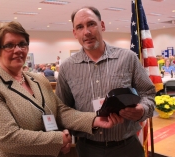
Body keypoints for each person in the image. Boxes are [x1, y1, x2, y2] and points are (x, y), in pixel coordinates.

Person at [0, 21, 119, 157]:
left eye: (22, 44)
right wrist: (58, 139)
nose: (18, 50)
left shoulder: (38, 79)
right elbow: (7, 137)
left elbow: (60, 111)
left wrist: (94, 119)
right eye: (9, 45)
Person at [55, 6, 156, 157]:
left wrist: (142, 110)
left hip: (127, 147)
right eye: (80, 27)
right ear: (75, 33)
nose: (87, 32)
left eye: (91, 24)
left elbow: (148, 93)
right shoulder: (67, 68)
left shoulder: (128, 58)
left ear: (102, 25)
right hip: (87, 149)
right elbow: (62, 110)